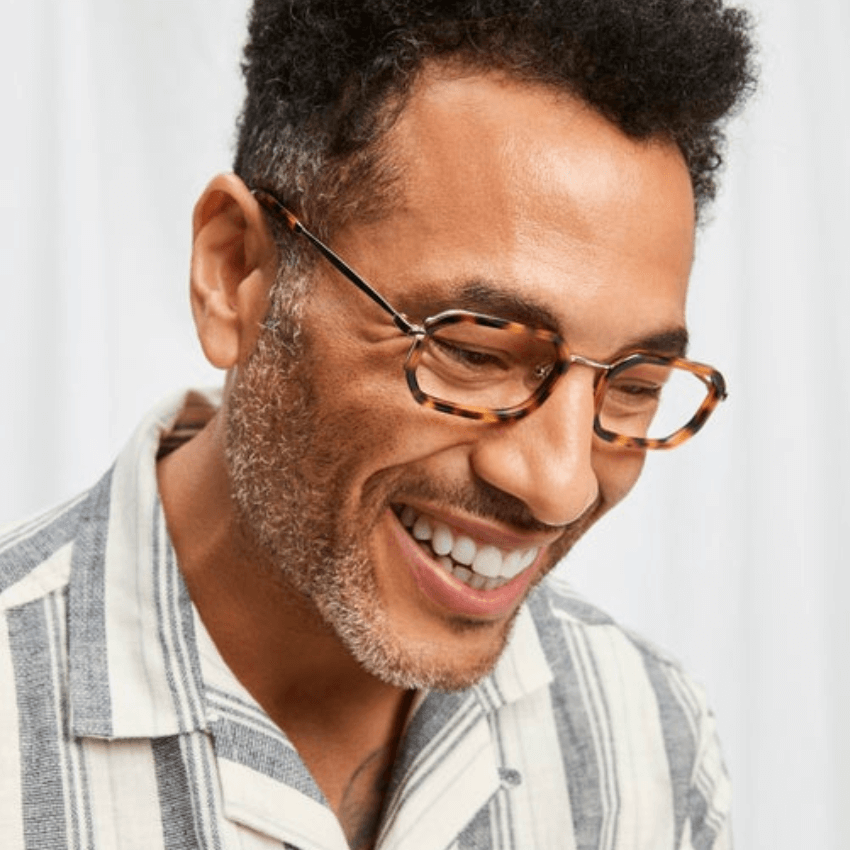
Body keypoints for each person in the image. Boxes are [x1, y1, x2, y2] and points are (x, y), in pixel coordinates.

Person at [0, 1, 756, 848]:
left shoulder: (646, 740)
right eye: (475, 350)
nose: (561, 484)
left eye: (635, 385)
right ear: (236, 271)